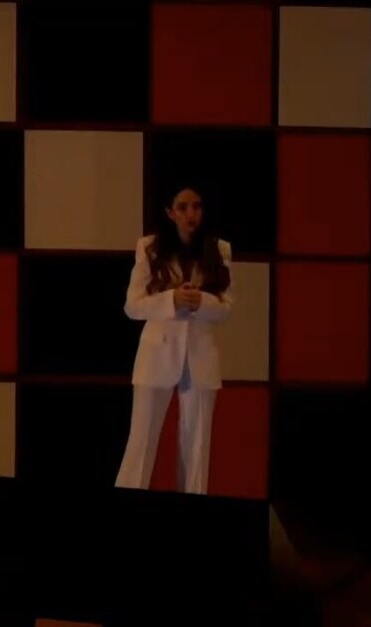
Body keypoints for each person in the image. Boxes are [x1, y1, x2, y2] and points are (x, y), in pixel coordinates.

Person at [115, 184, 233, 495]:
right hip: (158, 352)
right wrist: (171, 300)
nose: (191, 214)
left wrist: (201, 302)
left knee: (197, 449)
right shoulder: (150, 248)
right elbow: (132, 306)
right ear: (170, 212)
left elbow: (225, 309)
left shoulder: (219, 249)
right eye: (182, 207)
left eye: (196, 206)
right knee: (141, 443)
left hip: (200, 356)